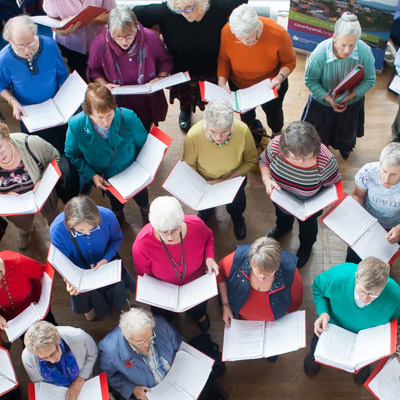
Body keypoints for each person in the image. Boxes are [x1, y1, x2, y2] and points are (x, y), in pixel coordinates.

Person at [133, 0, 247, 132]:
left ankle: (211, 118)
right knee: (185, 98)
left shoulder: (217, 7)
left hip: (211, 67)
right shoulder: (166, 11)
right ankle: (185, 110)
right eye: (178, 9)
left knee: (212, 101)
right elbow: (134, 13)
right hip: (182, 70)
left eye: (188, 7)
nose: (183, 13)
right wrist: (153, 33)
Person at [304, 257, 400, 384]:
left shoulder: (395, 296)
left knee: (363, 361)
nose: (365, 298)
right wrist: (323, 312)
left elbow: (396, 321)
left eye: (373, 295)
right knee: (316, 346)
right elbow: (318, 287)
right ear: (356, 277)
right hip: (332, 327)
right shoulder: (338, 277)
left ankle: (362, 367)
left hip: (368, 338)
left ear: (384, 285)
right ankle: (314, 356)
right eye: (361, 291)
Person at [260, 121, 341, 268]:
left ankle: (306, 246)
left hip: (309, 206)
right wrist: (267, 180)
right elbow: (263, 161)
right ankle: (283, 227)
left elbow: (332, 186)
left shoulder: (325, 161)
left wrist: (318, 203)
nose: (301, 160)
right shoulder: (275, 146)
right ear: (285, 148)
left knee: (308, 229)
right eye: (295, 156)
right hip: (281, 198)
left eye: (307, 155)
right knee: (282, 216)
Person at [65, 83, 149, 221]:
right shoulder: (76, 126)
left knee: (141, 196)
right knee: (115, 201)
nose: (106, 122)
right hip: (108, 179)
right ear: (89, 114)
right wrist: (92, 175)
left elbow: (144, 145)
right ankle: (117, 213)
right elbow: (72, 154)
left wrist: (143, 168)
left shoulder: (128, 118)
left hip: (134, 172)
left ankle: (145, 210)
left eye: (109, 115)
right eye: (100, 117)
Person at [132, 196, 218, 331]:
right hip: (163, 288)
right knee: (164, 315)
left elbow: (209, 239)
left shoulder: (196, 224)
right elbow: (144, 275)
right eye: (164, 232)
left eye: (174, 230)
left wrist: (209, 257)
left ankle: (199, 315)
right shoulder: (142, 243)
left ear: (181, 221)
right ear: (154, 226)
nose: (170, 237)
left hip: (196, 284)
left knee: (198, 307)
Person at [301, 12, 376, 159]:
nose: (347, 50)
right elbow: (310, 81)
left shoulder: (365, 51)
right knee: (319, 136)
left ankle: (345, 147)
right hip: (322, 104)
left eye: (352, 45)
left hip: (351, 103)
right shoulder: (319, 54)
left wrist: (352, 95)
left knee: (346, 130)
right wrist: (329, 99)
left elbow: (369, 79)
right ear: (334, 37)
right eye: (343, 45)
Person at [50, 196, 136, 321]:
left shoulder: (108, 216)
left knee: (117, 290)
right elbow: (63, 261)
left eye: (92, 227)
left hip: (107, 262)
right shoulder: (57, 230)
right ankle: (89, 307)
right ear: (69, 226)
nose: (88, 233)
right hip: (79, 272)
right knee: (85, 297)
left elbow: (116, 239)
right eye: (80, 230)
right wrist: (69, 281)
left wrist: (106, 259)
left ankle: (120, 301)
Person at [218, 4, 296, 141]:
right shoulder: (227, 31)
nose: (244, 42)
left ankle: (277, 134)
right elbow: (224, 60)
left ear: (256, 27)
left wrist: (279, 78)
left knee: (274, 115)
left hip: (270, 85)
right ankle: (252, 130)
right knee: (246, 116)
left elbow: (289, 62)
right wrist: (221, 81)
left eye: (248, 38)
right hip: (241, 86)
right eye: (239, 38)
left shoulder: (279, 34)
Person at [88, 6, 173, 131]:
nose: (124, 42)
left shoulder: (150, 39)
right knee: (121, 130)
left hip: (146, 100)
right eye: (118, 36)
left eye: (129, 36)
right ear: (110, 31)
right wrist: (104, 84)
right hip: (117, 101)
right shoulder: (100, 45)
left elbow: (164, 61)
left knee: (143, 128)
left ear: (136, 28)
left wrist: (161, 77)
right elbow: (94, 70)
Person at [183, 98, 258, 240]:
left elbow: (251, 160)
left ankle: (237, 218)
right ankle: (205, 216)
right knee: (205, 210)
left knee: (237, 205)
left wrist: (227, 179)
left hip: (234, 179)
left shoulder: (242, 130)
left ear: (231, 124)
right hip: (206, 182)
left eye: (224, 131)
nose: (218, 138)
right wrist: (201, 183)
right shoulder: (193, 136)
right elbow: (189, 166)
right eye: (213, 131)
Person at [218, 236, 303, 361]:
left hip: (273, 327)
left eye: (268, 274)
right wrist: (225, 305)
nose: (262, 278)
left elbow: (295, 302)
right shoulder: (237, 259)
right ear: (250, 262)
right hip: (241, 321)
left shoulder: (290, 274)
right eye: (257, 273)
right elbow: (220, 273)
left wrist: (280, 320)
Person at [0, 15, 69, 152]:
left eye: (30, 43)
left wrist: (65, 98)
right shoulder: (4, 59)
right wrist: (13, 103)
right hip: (30, 113)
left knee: (66, 145)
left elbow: (62, 75)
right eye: (20, 46)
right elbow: (2, 86)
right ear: (9, 40)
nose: (27, 50)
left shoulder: (49, 45)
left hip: (56, 106)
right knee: (42, 151)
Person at [98, 308, 182, 400]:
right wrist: (131, 388)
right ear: (126, 337)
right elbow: (107, 375)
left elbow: (180, 346)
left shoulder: (162, 325)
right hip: (150, 394)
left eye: (150, 337)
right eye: (140, 342)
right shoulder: (110, 350)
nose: (146, 344)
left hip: (177, 379)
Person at [0, 122, 60, 250]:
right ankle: (25, 231)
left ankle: (57, 235)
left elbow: (55, 157)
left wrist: (43, 179)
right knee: (22, 223)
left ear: (7, 137)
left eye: (0, 147)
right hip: (15, 205)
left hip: (43, 194)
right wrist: (4, 195)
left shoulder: (30, 143)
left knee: (53, 217)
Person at [346, 143, 400, 264]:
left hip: (393, 228)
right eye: (384, 171)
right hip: (367, 223)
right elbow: (358, 195)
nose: (386, 179)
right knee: (352, 261)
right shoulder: (368, 172)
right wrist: (356, 213)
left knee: (381, 264)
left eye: (393, 175)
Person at [22, 321, 97, 400]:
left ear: (57, 342)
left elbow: (92, 354)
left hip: (84, 380)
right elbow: (39, 382)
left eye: (53, 353)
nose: (52, 360)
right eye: (44, 358)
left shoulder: (78, 336)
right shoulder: (28, 358)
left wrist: (81, 379)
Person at [43, 0, 115, 81]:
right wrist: (59, 30)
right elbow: (51, 18)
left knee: (102, 83)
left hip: (98, 45)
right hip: (68, 47)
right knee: (75, 84)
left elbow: (112, 15)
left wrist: (87, 17)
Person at [0, 251, 57, 336]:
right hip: (14, 323)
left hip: (37, 310)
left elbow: (44, 274)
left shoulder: (19, 262)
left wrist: (45, 299)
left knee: (51, 333)